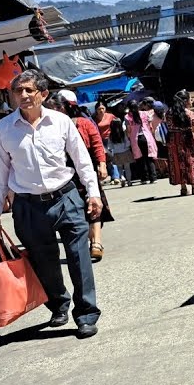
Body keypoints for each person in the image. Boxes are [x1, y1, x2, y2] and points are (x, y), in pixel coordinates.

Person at [0, 71, 102, 339]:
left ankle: (86, 314)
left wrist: (93, 193)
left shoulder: (61, 122)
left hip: (65, 197)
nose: (24, 95)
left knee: (79, 258)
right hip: (28, 205)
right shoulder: (3, 129)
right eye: (18, 91)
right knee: (43, 261)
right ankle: (59, 304)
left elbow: (82, 160)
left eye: (29, 90)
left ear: (43, 94)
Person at [55, 91, 114, 261]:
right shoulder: (51, 126)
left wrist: (102, 164)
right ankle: (92, 239)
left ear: (67, 107)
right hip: (65, 174)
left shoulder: (84, 123)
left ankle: (96, 243)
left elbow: (97, 144)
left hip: (86, 170)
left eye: (58, 106)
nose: (54, 110)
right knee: (77, 209)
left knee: (93, 203)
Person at [165, 90, 194, 196]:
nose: (192, 101)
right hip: (187, 139)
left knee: (177, 162)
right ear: (186, 101)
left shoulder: (168, 113)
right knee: (190, 161)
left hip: (174, 140)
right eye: (190, 99)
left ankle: (183, 188)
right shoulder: (190, 114)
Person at [125, 100, 158, 184]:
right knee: (149, 158)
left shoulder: (127, 117)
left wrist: (129, 137)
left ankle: (144, 178)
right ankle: (153, 177)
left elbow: (128, 130)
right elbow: (150, 126)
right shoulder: (145, 113)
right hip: (147, 137)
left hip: (135, 139)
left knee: (140, 159)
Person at [103, 104, 134, 186]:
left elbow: (110, 146)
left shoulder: (111, 135)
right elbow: (127, 142)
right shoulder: (123, 133)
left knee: (120, 167)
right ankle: (129, 181)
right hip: (125, 151)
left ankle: (122, 177)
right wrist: (127, 147)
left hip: (117, 153)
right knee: (127, 167)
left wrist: (112, 150)